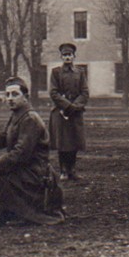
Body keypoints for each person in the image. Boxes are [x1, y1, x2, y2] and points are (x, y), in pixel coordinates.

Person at [0, 77, 64, 225]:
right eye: (7, 95)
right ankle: (13, 211)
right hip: (23, 171)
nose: (10, 99)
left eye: (15, 94)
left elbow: (21, 154)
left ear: (25, 97)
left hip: (34, 175)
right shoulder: (16, 117)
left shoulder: (30, 119)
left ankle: (22, 213)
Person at [47, 42, 89, 181]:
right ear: (61, 57)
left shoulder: (80, 72)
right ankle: (63, 170)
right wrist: (67, 106)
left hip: (76, 112)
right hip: (61, 112)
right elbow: (53, 93)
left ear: (74, 56)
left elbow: (85, 92)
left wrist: (75, 106)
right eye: (64, 55)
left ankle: (72, 170)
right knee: (63, 142)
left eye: (69, 55)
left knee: (74, 141)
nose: (67, 57)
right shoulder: (56, 72)